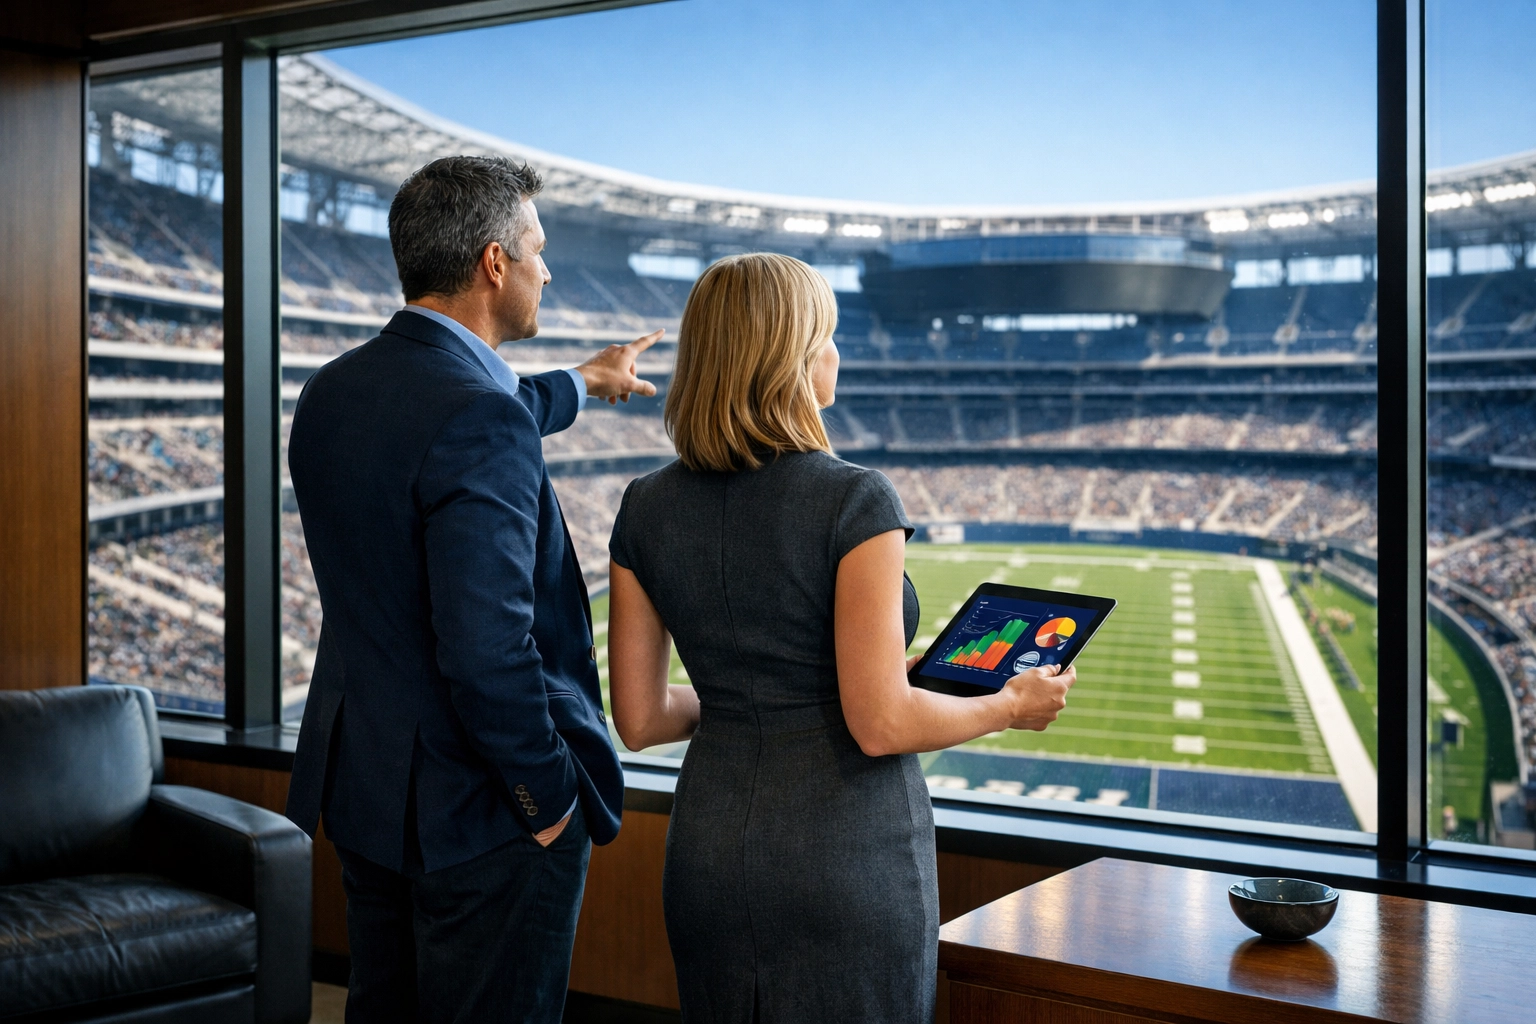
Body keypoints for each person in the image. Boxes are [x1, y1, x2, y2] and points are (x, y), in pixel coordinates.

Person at [606, 252, 1079, 1023]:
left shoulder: (645, 504)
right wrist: (1012, 703)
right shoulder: (854, 497)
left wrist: (754, 693)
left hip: (709, 851)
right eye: (827, 335)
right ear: (791, 356)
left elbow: (641, 719)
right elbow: (881, 722)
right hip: (842, 855)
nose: (837, 353)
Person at [285, 155, 657, 1024]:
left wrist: (585, 384)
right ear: (494, 263)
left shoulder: (334, 392)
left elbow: (476, 411)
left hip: (369, 794)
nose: (548, 269)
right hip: (483, 812)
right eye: (538, 249)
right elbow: (488, 651)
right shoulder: (477, 416)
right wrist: (549, 799)